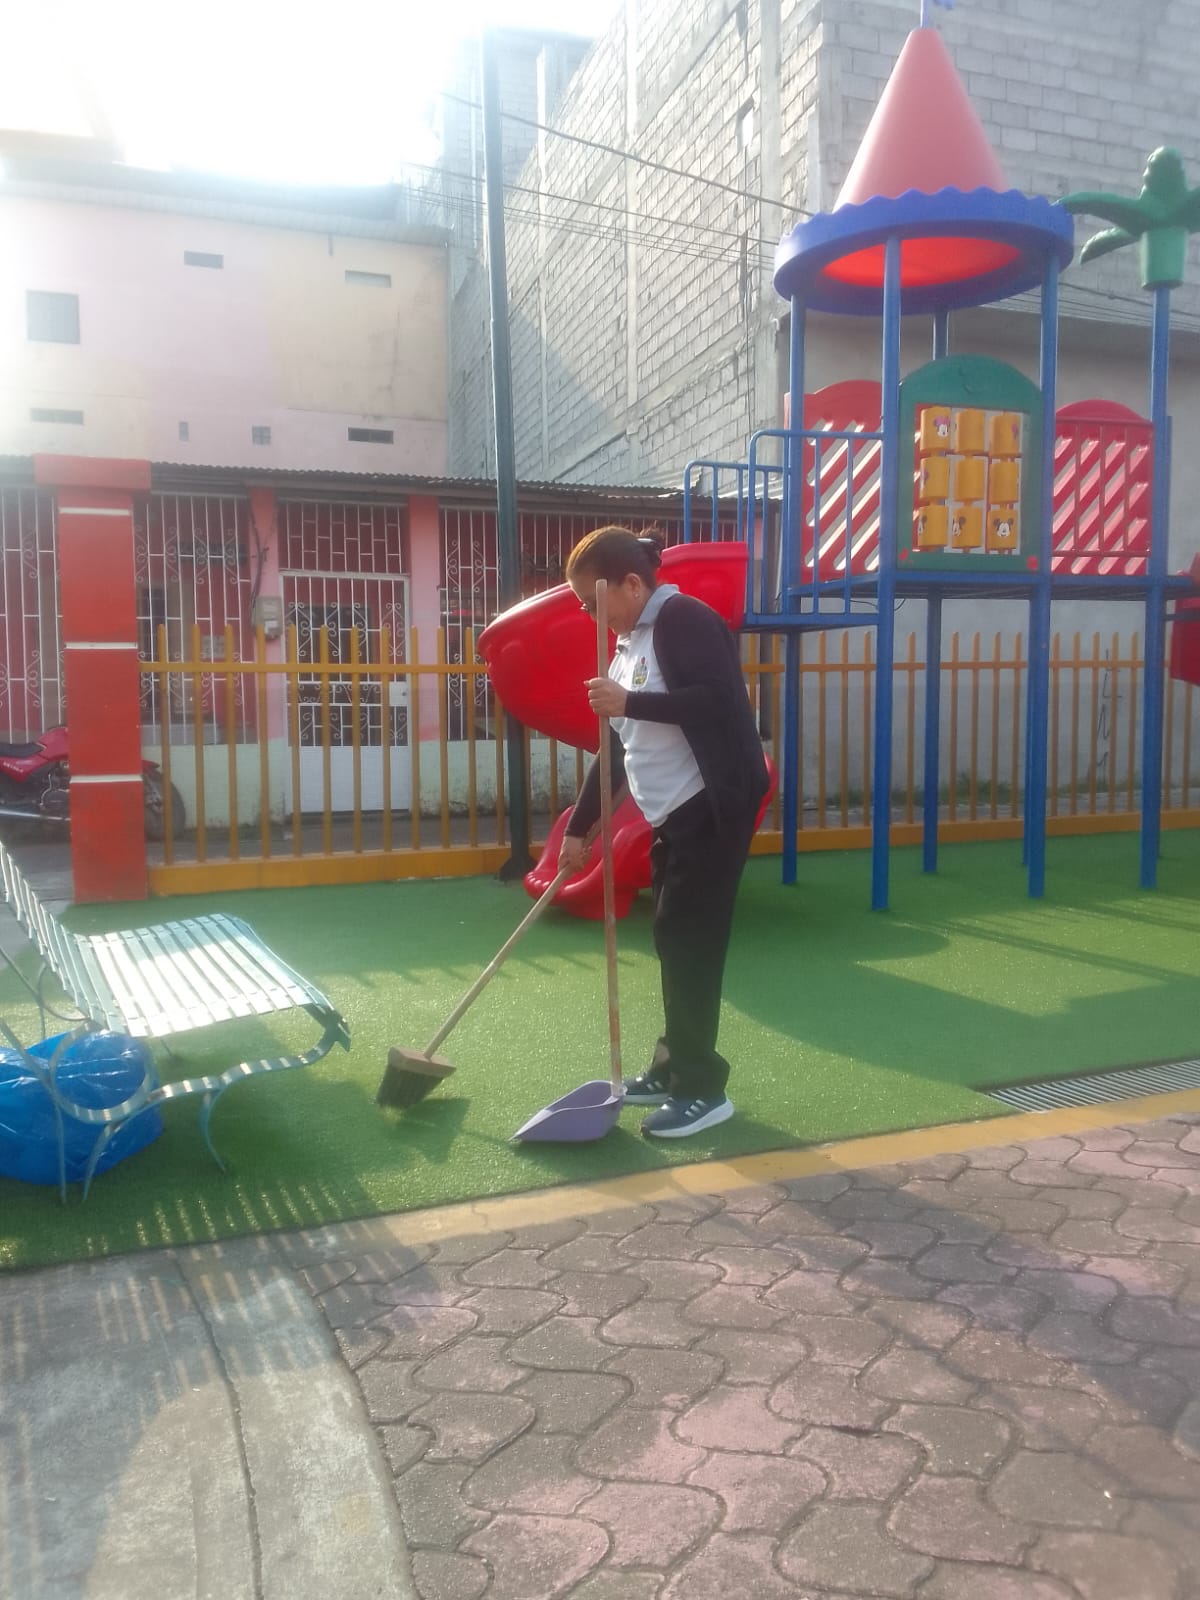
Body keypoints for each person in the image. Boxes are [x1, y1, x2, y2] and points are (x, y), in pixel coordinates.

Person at [559, 526, 769, 1138]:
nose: (588, 614)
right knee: (672, 939)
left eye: (591, 601)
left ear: (631, 584)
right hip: (670, 815)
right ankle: (673, 1065)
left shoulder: (685, 620)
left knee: (691, 944)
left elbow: (719, 701)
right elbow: (615, 747)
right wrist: (580, 828)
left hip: (711, 809)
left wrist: (628, 703)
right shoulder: (628, 645)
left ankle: (703, 1089)